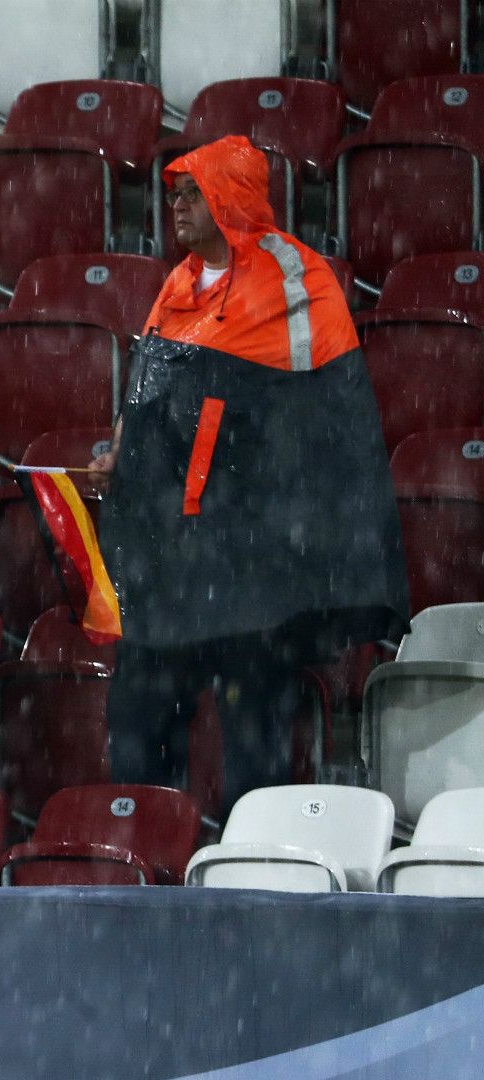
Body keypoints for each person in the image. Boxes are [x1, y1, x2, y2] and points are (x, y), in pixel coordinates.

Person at [93, 135, 408, 811]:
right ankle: (147, 858)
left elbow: (315, 415)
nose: (177, 206)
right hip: (175, 566)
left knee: (255, 751)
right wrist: (123, 450)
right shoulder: (176, 286)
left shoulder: (294, 280)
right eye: (174, 195)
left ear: (229, 199)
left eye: (193, 193)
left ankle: (252, 867)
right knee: (138, 729)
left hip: (254, 567)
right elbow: (149, 397)